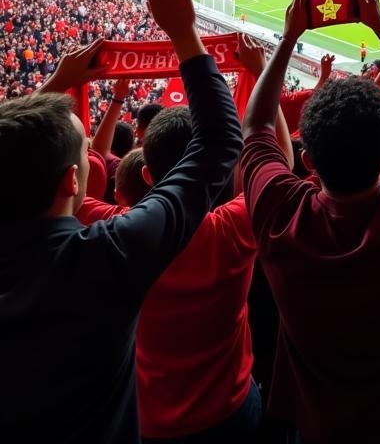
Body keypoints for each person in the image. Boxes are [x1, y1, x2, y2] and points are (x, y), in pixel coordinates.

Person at [0, 0, 242, 444]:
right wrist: (183, 33)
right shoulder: (108, 255)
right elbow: (219, 141)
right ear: (72, 181)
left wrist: (58, 86)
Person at [239, 0, 380, 444]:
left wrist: (289, 38)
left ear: (308, 162)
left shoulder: (281, 214)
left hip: (321, 425)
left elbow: (255, 126)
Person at [78, 99, 267, 443]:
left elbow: (63, 172)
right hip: (231, 408)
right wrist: (259, 72)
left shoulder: (115, 230)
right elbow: (274, 158)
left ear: (147, 174)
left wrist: (85, 90)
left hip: (149, 419)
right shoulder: (233, 227)